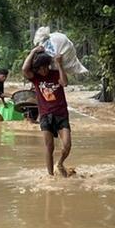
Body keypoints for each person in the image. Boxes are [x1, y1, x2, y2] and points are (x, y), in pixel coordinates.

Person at [22, 46, 72, 176]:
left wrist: (60, 65)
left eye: (46, 67)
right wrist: (32, 51)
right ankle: (50, 176)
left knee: (67, 145)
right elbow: (24, 69)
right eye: (41, 68)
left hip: (61, 114)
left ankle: (60, 163)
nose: (44, 70)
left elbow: (65, 83)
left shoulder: (55, 74)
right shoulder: (36, 78)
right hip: (45, 116)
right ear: (37, 69)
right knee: (49, 147)